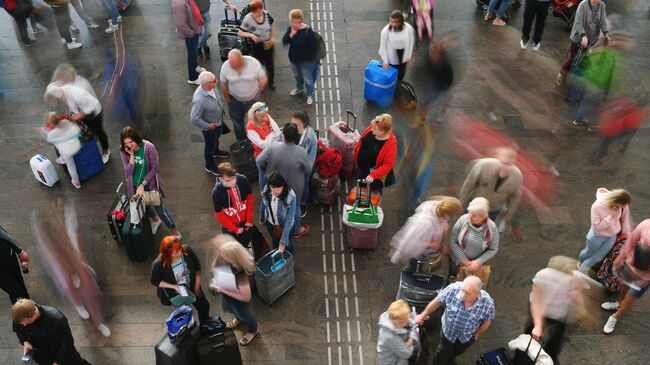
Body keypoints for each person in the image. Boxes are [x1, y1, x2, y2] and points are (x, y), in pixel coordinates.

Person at [415, 276, 495, 365]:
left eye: (468, 293)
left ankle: (450, 360)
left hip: (466, 337)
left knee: (456, 352)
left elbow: (488, 321)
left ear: (477, 293)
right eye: (463, 290)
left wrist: (476, 336)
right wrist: (423, 315)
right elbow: (437, 301)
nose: (463, 295)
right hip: (448, 333)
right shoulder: (453, 289)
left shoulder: (487, 303)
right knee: (442, 352)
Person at [119, 127, 182, 239]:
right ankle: (156, 221)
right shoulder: (124, 151)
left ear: (136, 138)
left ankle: (175, 232)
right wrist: (132, 156)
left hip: (149, 185)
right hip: (134, 187)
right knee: (145, 209)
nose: (129, 145)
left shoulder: (148, 147)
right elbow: (128, 172)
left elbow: (155, 168)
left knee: (161, 210)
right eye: (126, 143)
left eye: (131, 141)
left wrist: (143, 184)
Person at [525, 256, 589, 364]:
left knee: (556, 340)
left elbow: (580, 293)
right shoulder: (543, 276)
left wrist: (581, 309)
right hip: (541, 309)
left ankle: (549, 358)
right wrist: (538, 325)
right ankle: (525, 350)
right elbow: (536, 302)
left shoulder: (576, 278)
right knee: (530, 330)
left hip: (561, 314)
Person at [256, 123, 312, 225]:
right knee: (295, 207)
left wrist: (268, 168)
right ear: (297, 138)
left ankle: (263, 218)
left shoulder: (273, 146)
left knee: (267, 199)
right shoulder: (301, 152)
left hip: (273, 184)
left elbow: (259, 160)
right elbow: (308, 169)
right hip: (294, 187)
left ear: (283, 135)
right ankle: (297, 229)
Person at [209, 235, 259, 346]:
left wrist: (223, 289)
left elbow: (246, 297)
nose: (221, 256)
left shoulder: (241, 274)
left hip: (239, 300)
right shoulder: (227, 260)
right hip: (229, 294)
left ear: (233, 257)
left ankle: (253, 330)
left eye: (224, 255)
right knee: (227, 308)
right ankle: (239, 318)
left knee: (247, 316)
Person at [602, 219, 650, 334]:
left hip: (645, 277)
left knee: (631, 297)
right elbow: (631, 241)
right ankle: (619, 303)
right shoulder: (646, 225)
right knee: (624, 286)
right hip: (631, 266)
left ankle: (615, 316)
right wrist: (620, 257)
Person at [44, 84, 111, 163]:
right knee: (87, 130)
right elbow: (71, 106)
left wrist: (76, 117)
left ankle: (106, 151)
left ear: (60, 95)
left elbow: (89, 108)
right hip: (81, 112)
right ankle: (92, 144)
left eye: (59, 99)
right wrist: (74, 117)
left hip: (94, 112)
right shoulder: (61, 92)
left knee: (99, 131)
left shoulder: (78, 95)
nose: (59, 101)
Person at [12, 299, 92, 365]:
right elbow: (18, 331)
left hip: (64, 357)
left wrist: (58, 362)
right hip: (42, 357)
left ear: (34, 313)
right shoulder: (19, 317)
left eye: (26, 322)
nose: (24, 325)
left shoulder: (57, 320)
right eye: (21, 323)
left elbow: (67, 344)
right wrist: (25, 342)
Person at [151, 236, 210, 323]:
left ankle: (204, 326)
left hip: (192, 286)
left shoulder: (186, 250)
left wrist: (197, 285)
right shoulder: (158, 264)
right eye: (176, 252)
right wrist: (173, 286)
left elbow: (197, 267)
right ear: (167, 254)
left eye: (180, 249)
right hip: (175, 293)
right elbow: (155, 281)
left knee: (204, 307)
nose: (180, 253)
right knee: (183, 315)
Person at [390, 196, 463, 266]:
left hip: (430, 250)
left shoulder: (439, 206)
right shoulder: (425, 224)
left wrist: (444, 227)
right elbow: (412, 242)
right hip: (422, 254)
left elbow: (442, 220)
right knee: (414, 268)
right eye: (452, 215)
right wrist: (433, 244)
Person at [459, 147, 523, 224]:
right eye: (502, 162)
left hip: (493, 210)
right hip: (475, 205)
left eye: (508, 164)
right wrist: (462, 201)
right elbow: (469, 184)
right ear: (498, 159)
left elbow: (515, 197)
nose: (504, 166)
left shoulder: (517, 177)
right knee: (467, 224)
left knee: (485, 230)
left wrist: (508, 212)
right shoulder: (484, 165)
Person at [556, 0, 610, 86]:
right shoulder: (583, 5)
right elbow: (578, 22)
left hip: (591, 39)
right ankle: (561, 74)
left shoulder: (602, 5)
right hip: (578, 38)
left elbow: (602, 21)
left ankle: (578, 77)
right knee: (573, 59)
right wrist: (583, 35)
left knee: (583, 58)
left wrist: (606, 33)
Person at [578, 188, 631, 274]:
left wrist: (627, 232)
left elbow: (625, 219)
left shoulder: (620, 205)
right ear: (616, 200)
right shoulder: (597, 206)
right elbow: (597, 226)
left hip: (611, 236)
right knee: (588, 253)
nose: (624, 208)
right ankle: (580, 263)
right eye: (622, 205)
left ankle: (583, 268)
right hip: (597, 237)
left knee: (599, 257)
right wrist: (610, 217)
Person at [220, 49, 268, 141]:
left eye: (234, 64)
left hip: (254, 99)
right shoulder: (226, 66)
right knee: (237, 123)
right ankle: (241, 141)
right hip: (235, 100)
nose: (231, 66)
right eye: (230, 63)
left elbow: (263, 77)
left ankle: (257, 139)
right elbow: (223, 84)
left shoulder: (253, 63)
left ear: (241, 60)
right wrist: (228, 100)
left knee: (258, 120)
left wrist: (260, 89)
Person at [448, 197, 500, 279]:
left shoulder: (492, 228)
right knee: (453, 277)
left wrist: (478, 262)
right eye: (470, 212)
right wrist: (464, 260)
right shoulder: (463, 220)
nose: (470, 216)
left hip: (475, 266)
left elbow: (493, 249)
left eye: (474, 215)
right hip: (456, 260)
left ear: (483, 217)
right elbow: (453, 241)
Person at [191, 71, 230, 176]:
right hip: (210, 128)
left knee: (216, 138)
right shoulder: (199, 100)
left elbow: (217, 100)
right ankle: (209, 165)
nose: (216, 81)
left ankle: (216, 151)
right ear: (206, 84)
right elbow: (194, 118)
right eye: (213, 80)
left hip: (218, 122)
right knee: (209, 145)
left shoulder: (212, 87)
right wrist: (207, 126)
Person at [260, 171, 306, 254]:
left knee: (288, 247)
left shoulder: (290, 196)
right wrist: (262, 217)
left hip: (285, 226)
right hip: (271, 224)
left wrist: (283, 242)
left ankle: (289, 261)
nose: (276, 192)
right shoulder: (266, 189)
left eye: (278, 189)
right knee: (275, 241)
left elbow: (289, 219)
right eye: (273, 190)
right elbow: (263, 203)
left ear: (283, 185)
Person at [352, 114, 398, 191]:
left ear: (383, 131)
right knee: (361, 184)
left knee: (375, 189)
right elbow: (360, 142)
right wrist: (355, 156)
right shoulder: (371, 129)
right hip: (362, 167)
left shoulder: (391, 144)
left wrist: (373, 175)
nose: (371, 129)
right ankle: (362, 190)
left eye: (374, 129)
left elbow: (388, 165)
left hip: (373, 172)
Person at [282, 8, 318, 105]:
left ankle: (309, 94)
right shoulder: (291, 29)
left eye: (296, 22)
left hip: (306, 62)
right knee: (297, 76)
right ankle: (299, 88)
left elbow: (313, 47)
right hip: (294, 60)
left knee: (308, 79)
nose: (294, 24)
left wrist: (309, 60)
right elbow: (284, 41)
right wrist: (291, 35)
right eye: (292, 22)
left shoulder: (308, 30)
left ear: (301, 21)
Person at [239, 0, 276, 89]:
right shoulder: (248, 19)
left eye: (261, 10)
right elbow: (240, 33)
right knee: (258, 64)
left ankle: (271, 81)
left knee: (270, 64)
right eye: (257, 12)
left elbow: (272, 27)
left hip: (267, 43)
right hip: (256, 46)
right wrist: (251, 35)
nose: (260, 13)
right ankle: (260, 81)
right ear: (252, 11)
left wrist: (273, 38)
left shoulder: (266, 15)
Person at [212, 162, 255, 237]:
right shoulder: (216, 193)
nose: (233, 182)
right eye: (228, 180)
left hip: (245, 222)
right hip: (229, 228)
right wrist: (235, 229)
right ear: (221, 179)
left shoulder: (243, 180)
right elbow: (220, 215)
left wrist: (248, 220)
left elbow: (250, 201)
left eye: (233, 178)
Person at [41, 112, 82, 188]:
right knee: (58, 143)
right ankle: (62, 158)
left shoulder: (52, 133)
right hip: (76, 146)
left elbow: (48, 139)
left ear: (51, 123)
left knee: (71, 165)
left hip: (68, 151)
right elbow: (76, 129)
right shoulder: (65, 122)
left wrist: (42, 131)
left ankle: (76, 182)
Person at [172, 0, 206, 84]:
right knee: (192, 54)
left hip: (194, 29)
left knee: (193, 53)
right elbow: (181, 24)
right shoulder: (179, 3)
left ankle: (195, 66)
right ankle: (192, 78)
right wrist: (192, 33)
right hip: (191, 33)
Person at [376, 299, 418, 365]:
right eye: (402, 322)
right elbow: (407, 353)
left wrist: (407, 344)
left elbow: (412, 323)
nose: (405, 323)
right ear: (396, 320)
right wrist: (412, 339)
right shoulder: (389, 336)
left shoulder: (393, 317)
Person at [290, 110, 317, 214]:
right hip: (291, 167)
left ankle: (302, 203)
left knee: (303, 186)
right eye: (293, 123)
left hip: (303, 168)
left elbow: (312, 155)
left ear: (304, 124)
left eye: (297, 125)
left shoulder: (310, 136)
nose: (294, 126)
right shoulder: (289, 130)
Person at [379, 10, 415, 82]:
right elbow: (382, 46)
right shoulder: (385, 31)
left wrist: (409, 55)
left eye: (396, 22)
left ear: (401, 21)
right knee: (392, 74)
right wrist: (385, 61)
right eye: (392, 22)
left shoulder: (408, 29)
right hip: (391, 55)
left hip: (403, 53)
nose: (393, 24)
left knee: (401, 73)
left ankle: (399, 84)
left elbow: (411, 42)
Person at [0, 225, 30, 305]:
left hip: (9, 256)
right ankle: (23, 312)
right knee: (16, 292)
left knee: (20, 285)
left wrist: (19, 251)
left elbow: (5, 235)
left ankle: (28, 307)